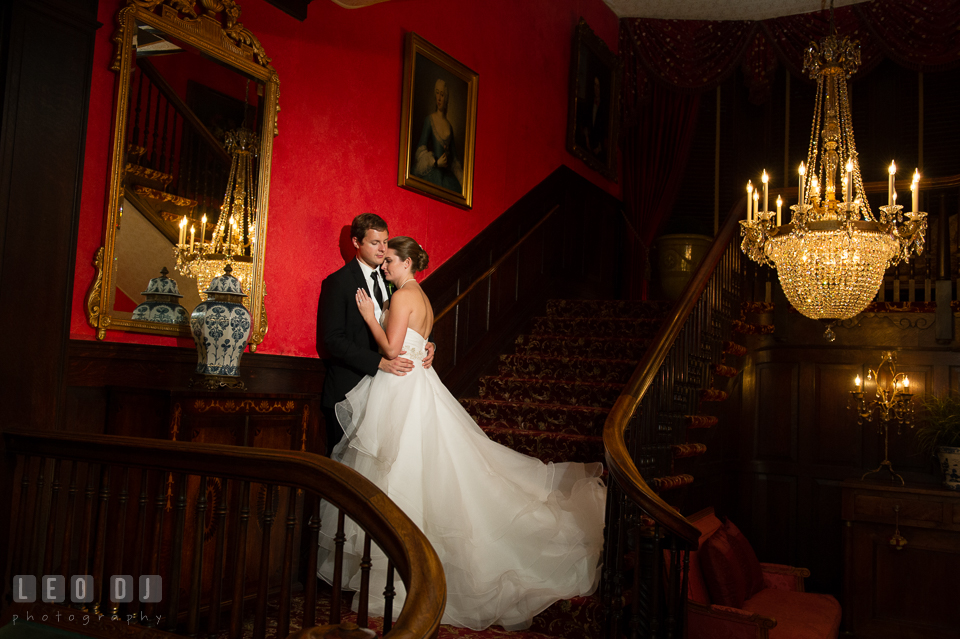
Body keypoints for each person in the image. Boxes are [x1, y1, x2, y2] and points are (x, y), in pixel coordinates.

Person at [318, 236, 606, 631]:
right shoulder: (422, 297)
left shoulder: (402, 297)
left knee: (402, 473)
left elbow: (391, 349)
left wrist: (370, 314)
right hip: (415, 383)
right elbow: (419, 344)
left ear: (405, 263)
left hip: (401, 387)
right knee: (416, 473)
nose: (384, 266)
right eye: (382, 261)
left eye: (390, 262)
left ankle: (408, 572)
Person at [316, 213, 434, 455]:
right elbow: (332, 340)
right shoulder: (338, 282)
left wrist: (427, 344)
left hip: (388, 392)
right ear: (356, 243)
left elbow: (406, 322)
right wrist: (378, 362)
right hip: (349, 390)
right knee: (348, 470)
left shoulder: (392, 278)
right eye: (375, 242)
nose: (383, 249)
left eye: (385, 241)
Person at [413, 79, 464, 191]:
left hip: (447, 175)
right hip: (434, 171)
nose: (439, 98)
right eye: (437, 93)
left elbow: (455, 158)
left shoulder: (449, 126)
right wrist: (435, 162)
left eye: (442, 94)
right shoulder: (429, 120)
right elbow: (421, 149)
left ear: (446, 98)